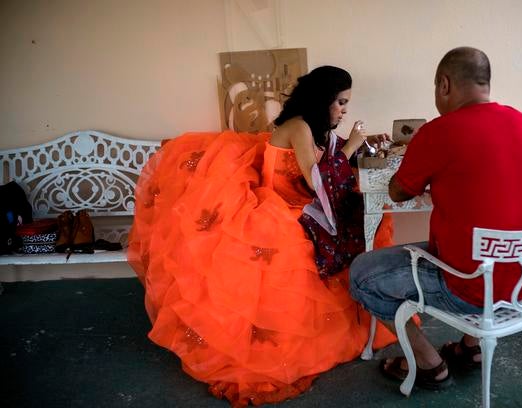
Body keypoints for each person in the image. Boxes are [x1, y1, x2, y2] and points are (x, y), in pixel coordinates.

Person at [127, 65, 395, 406]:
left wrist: (362, 144)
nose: (344, 111)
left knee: (360, 216)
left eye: (346, 104)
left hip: (296, 206)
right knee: (304, 244)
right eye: (340, 102)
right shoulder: (298, 126)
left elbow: (329, 163)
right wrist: (352, 144)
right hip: (280, 208)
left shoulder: (313, 129)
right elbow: (316, 180)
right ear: (323, 99)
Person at [349, 47, 522, 390]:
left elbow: (397, 192)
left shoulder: (440, 131)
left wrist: (420, 162)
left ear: (444, 84)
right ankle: (470, 349)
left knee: (362, 273)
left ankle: (429, 363)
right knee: (476, 242)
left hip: (467, 286)